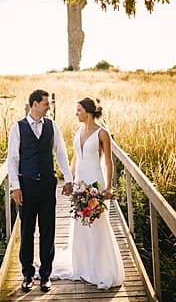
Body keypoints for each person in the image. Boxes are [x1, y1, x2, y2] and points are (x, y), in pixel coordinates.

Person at [7, 89, 74, 293]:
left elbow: (61, 153)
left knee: (48, 231)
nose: (49, 107)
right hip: (26, 186)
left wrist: (68, 179)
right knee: (27, 232)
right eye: (46, 103)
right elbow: (12, 160)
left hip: (47, 185)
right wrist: (15, 187)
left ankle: (45, 274)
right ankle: (27, 274)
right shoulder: (17, 128)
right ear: (34, 104)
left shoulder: (53, 126)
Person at [56, 97, 125, 289]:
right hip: (80, 182)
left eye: (78, 110)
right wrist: (69, 180)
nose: (76, 113)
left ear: (88, 111)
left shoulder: (102, 133)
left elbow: (109, 161)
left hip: (95, 181)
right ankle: (84, 267)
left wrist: (109, 187)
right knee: (80, 223)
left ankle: (100, 270)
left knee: (97, 224)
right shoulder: (78, 131)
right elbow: (75, 157)